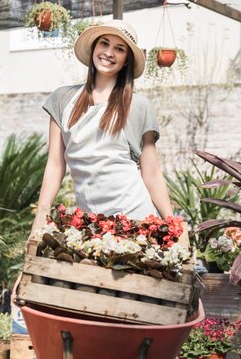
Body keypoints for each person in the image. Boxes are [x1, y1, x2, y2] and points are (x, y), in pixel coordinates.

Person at [30, 20, 173, 234]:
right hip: (91, 223)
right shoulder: (63, 99)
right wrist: (41, 216)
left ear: (126, 60)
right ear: (94, 48)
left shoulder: (137, 105)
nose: (108, 52)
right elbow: (55, 165)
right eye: (104, 43)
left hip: (135, 219)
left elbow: (151, 173)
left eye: (119, 48)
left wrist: (173, 226)